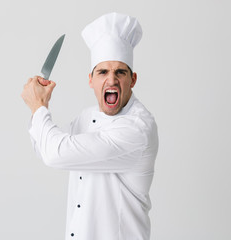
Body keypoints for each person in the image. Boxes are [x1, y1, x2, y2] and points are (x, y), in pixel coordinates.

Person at [21, 12, 158, 240]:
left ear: (132, 79)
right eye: (102, 72)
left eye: (120, 72)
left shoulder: (137, 129)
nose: (111, 80)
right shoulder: (87, 117)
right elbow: (43, 146)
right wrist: (39, 106)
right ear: (91, 79)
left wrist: (38, 106)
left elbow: (55, 154)